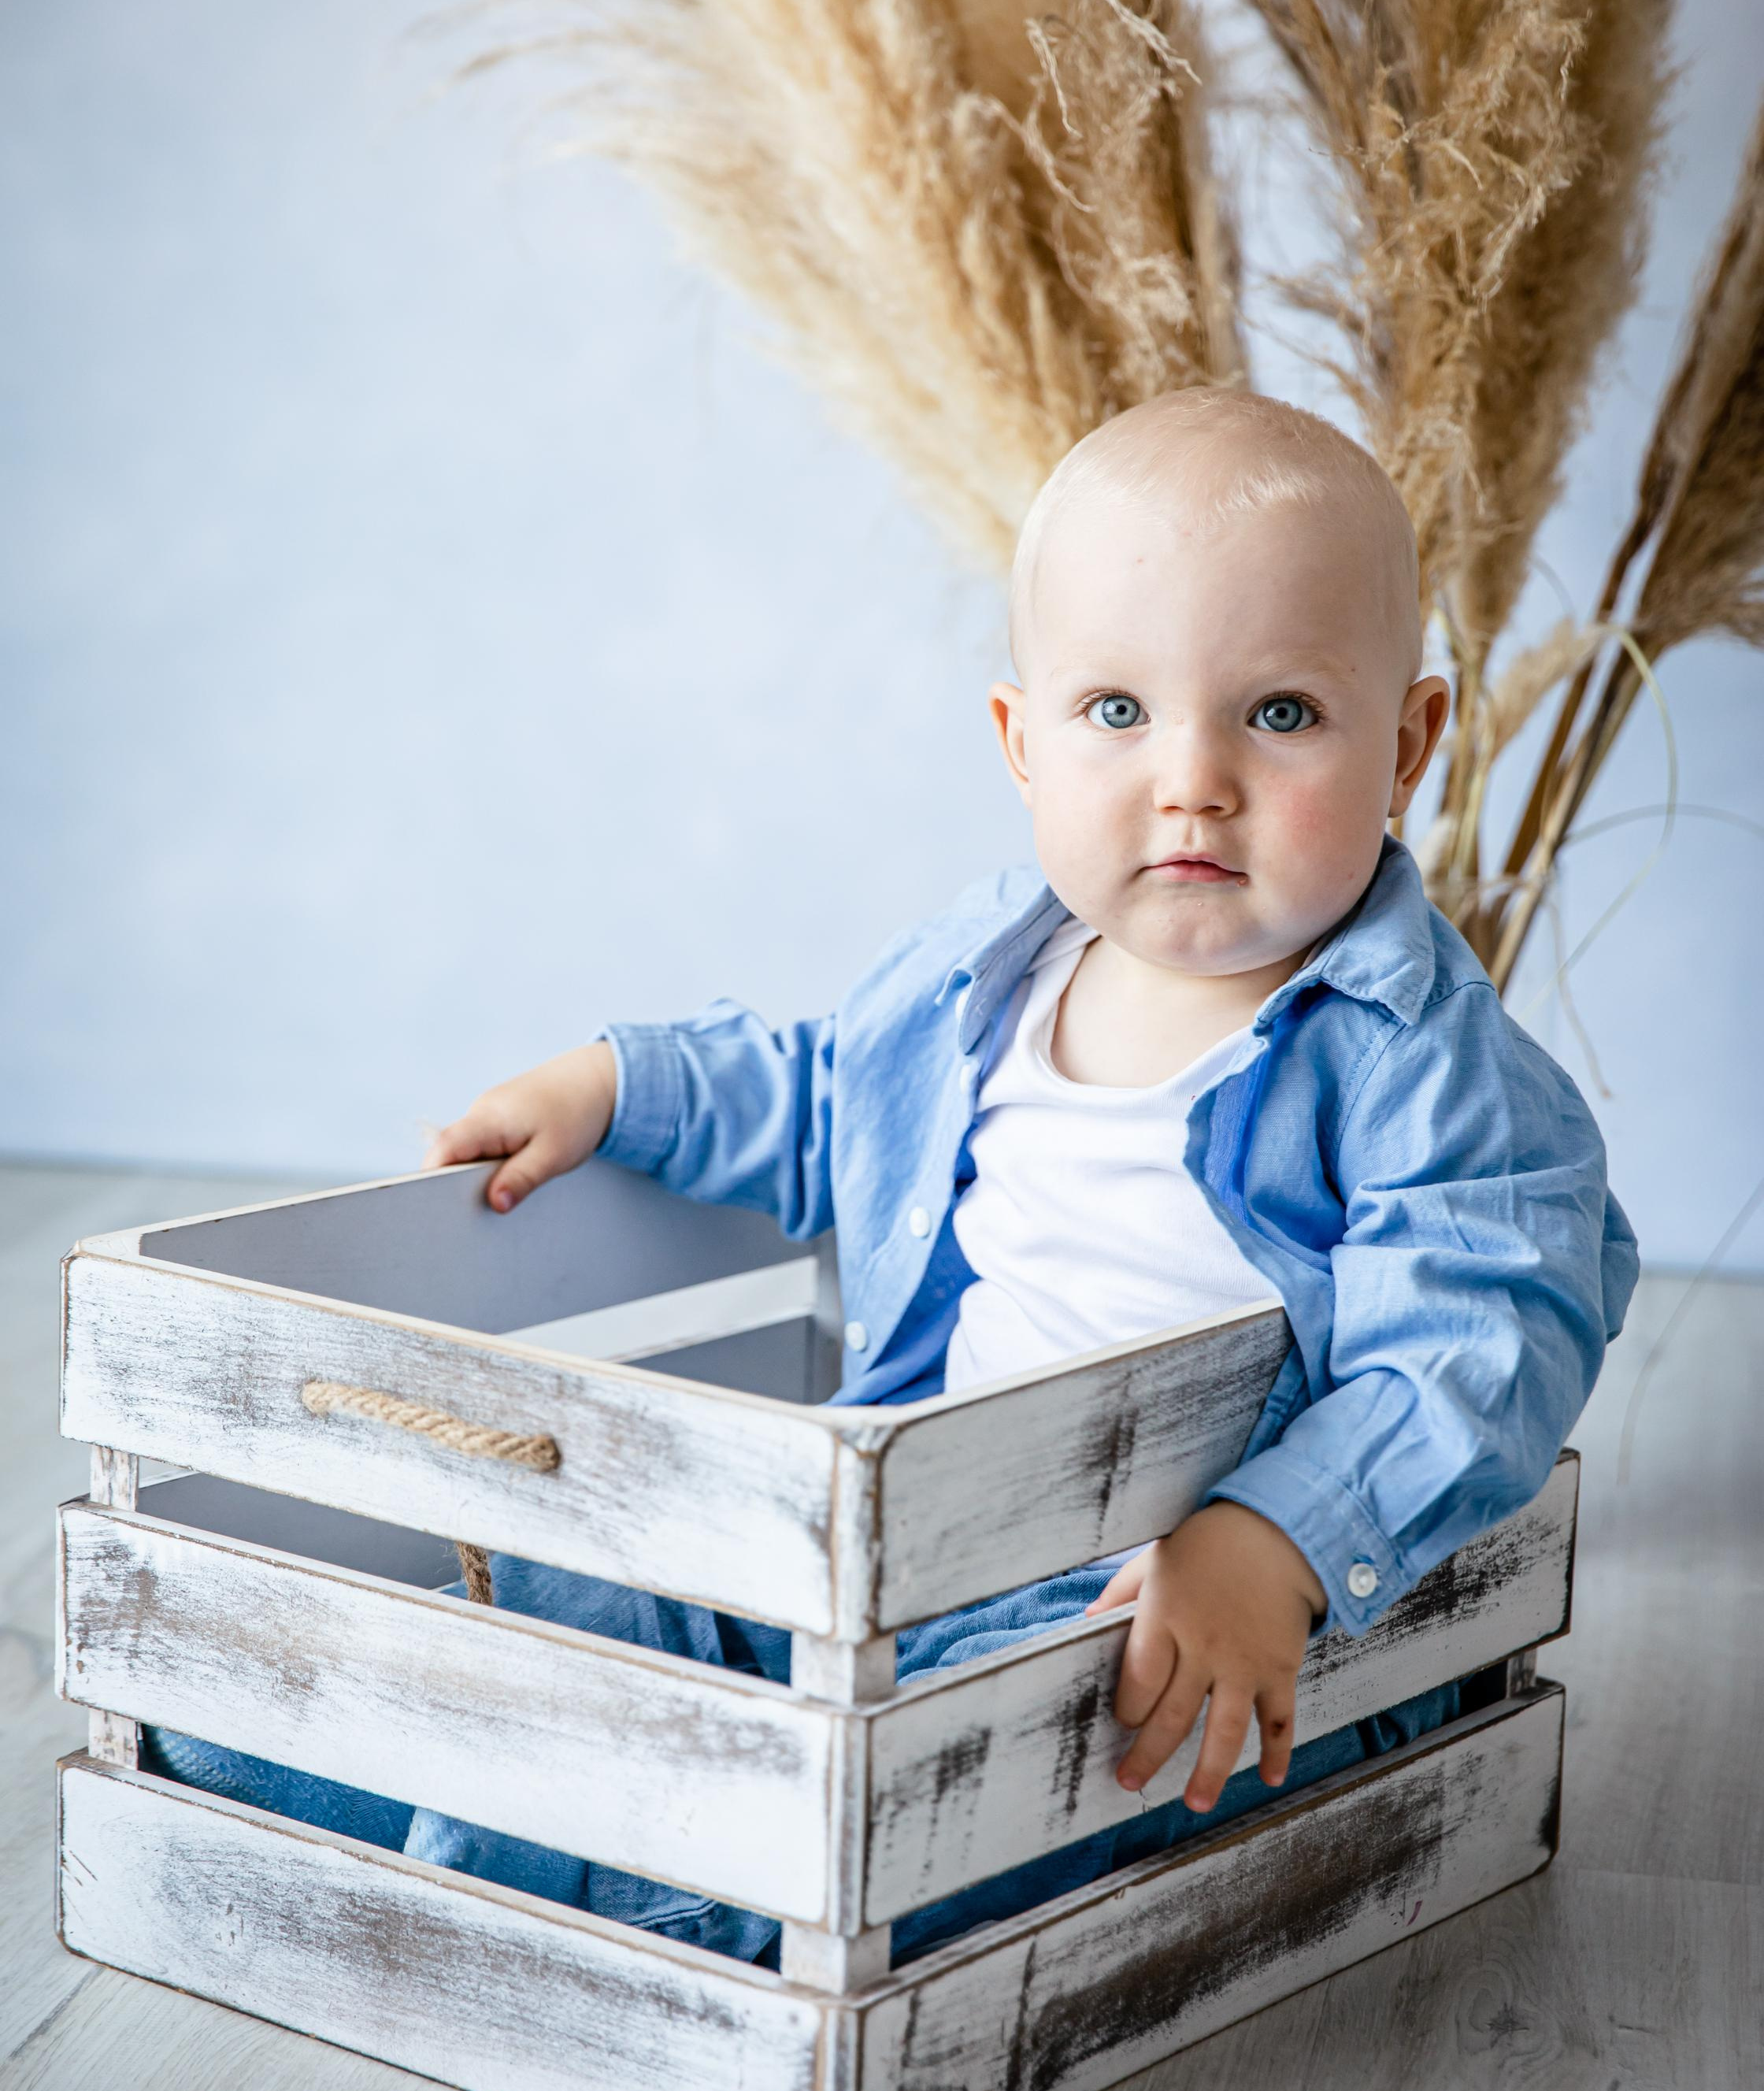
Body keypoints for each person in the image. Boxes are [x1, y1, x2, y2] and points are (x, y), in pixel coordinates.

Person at [146, 389, 1638, 1967]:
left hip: (1170, 1637)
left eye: (1278, 715)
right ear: (1021, 742)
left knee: (983, 1806)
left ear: (1405, 743)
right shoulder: (990, 976)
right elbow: (819, 1100)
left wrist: (1274, 1537)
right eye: (1117, 713)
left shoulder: (1421, 1064)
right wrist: (617, 1085)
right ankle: (444, 1757)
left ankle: (565, 1876)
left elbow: (1484, 1340)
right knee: (628, 1614)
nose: (1189, 779)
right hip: (898, 1545)